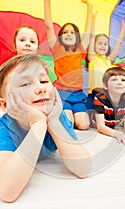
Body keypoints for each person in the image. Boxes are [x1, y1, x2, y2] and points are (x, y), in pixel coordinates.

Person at [0, 54, 91, 202]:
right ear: (5, 105)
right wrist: (38, 124)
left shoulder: (57, 116)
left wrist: (53, 122)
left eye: (44, 81)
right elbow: (6, 191)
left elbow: (84, 168)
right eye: (25, 84)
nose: (41, 88)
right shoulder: (5, 128)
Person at [0, 25, 40, 134]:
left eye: (32, 41)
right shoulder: (11, 68)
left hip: (33, 109)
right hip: (13, 108)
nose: (27, 43)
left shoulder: (40, 68)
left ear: (37, 47)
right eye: (22, 40)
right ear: (15, 45)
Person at [44, 0, 93, 130]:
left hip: (77, 95)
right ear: (60, 37)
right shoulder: (56, 48)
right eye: (65, 32)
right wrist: (47, 2)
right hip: (62, 94)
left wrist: (90, 7)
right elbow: (48, 26)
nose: (69, 34)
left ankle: (72, 112)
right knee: (68, 124)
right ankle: (62, 112)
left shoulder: (80, 49)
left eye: (72, 32)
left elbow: (87, 31)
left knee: (83, 125)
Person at [85, 15, 125, 110]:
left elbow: (119, 44)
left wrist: (123, 29)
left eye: (105, 44)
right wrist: (93, 21)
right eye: (99, 43)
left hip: (107, 94)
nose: (103, 46)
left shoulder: (109, 60)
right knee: (90, 112)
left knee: (106, 113)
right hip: (94, 93)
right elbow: (92, 37)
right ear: (94, 45)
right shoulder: (92, 58)